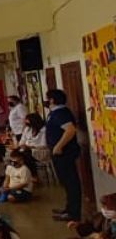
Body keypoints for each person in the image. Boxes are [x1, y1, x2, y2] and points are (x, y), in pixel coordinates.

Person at [45, 89, 83, 222]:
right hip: (59, 153)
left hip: (64, 153)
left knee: (71, 182)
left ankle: (73, 213)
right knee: (66, 182)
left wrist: (58, 146)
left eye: (47, 98)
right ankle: (68, 208)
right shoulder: (55, 113)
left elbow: (70, 130)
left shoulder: (61, 113)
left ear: (52, 100)